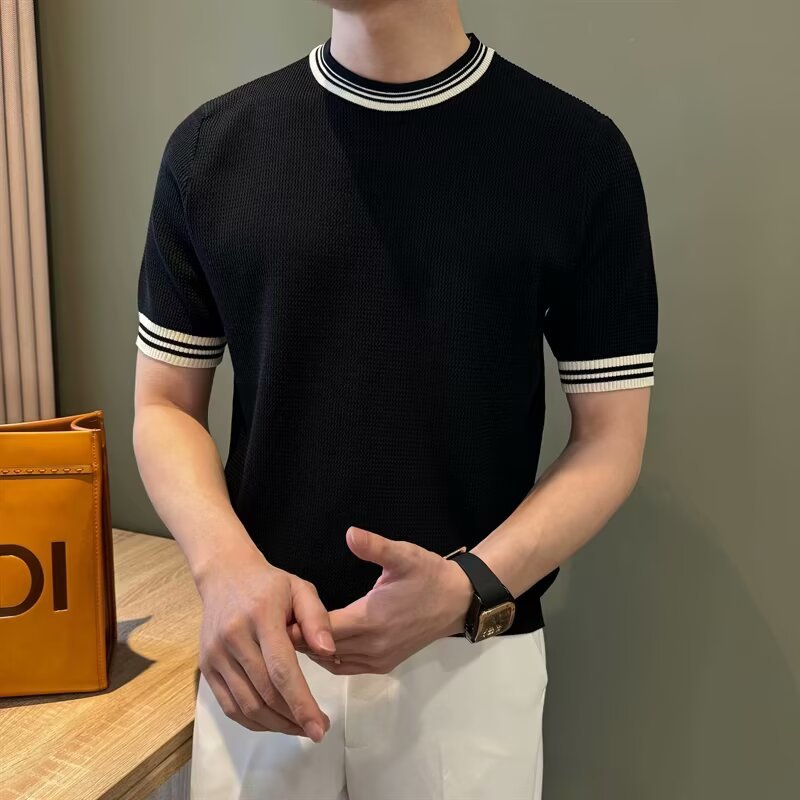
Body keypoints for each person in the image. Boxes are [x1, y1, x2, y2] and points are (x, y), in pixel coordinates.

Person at [132, 1, 658, 798]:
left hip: (470, 660)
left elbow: (611, 439)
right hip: (263, 647)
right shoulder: (211, 150)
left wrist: (470, 585)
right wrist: (223, 569)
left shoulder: (578, 156)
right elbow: (165, 405)